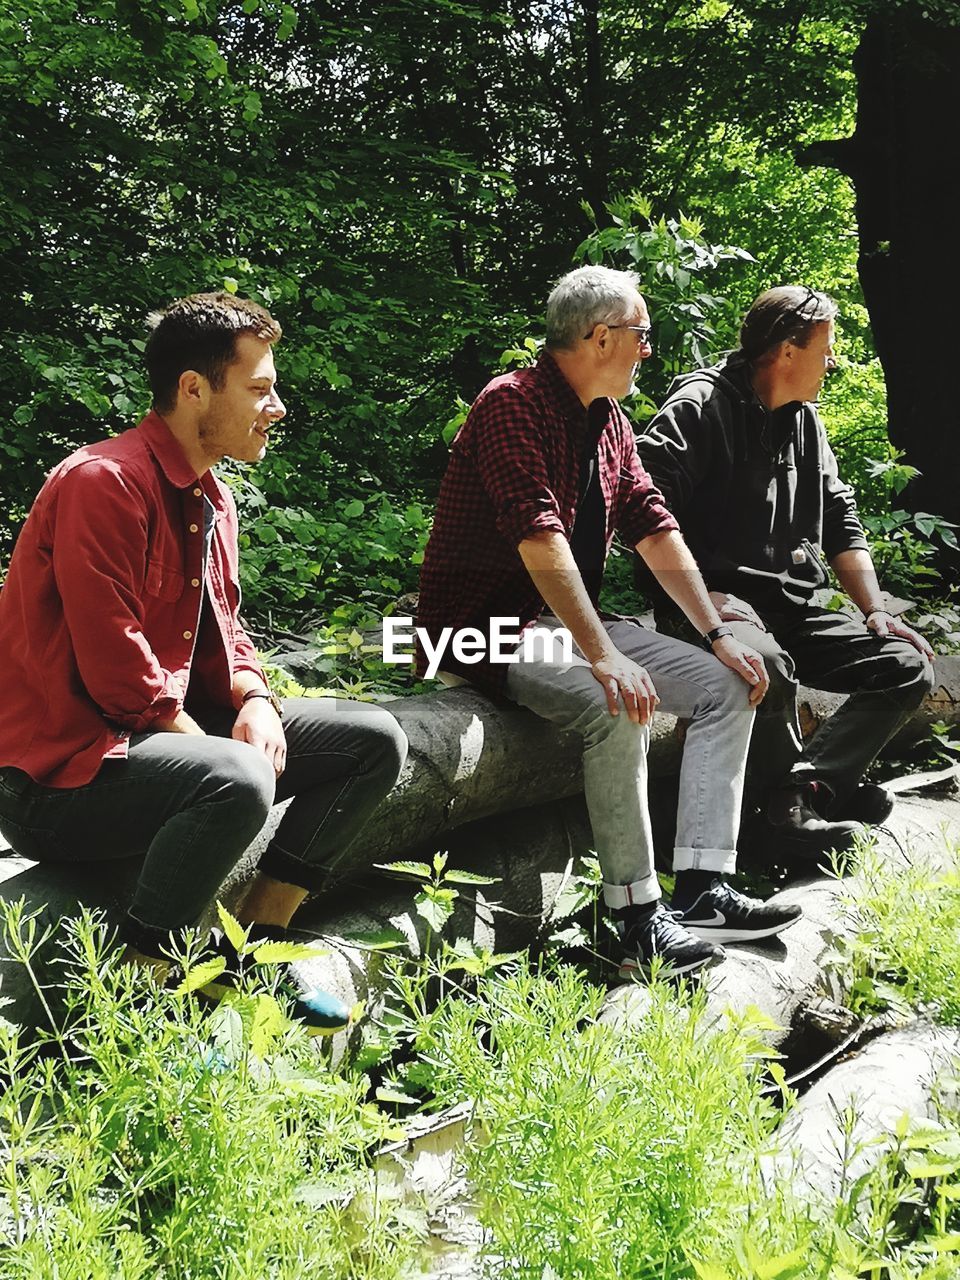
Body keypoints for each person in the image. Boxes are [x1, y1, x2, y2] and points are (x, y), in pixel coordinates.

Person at [0, 292, 408, 1031]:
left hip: (143, 746)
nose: (276, 407)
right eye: (259, 388)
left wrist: (253, 699)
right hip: (58, 780)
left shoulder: (210, 496)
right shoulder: (104, 482)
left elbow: (229, 631)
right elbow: (117, 669)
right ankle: (144, 986)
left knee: (373, 741)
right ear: (194, 389)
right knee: (239, 774)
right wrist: (219, 749)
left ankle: (253, 945)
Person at [416, 265, 802, 978]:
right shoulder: (511, 403)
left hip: (568, 621)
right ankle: (635, 918)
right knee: (618, 705)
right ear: (599, 337)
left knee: (727, 685)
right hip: (478, 629)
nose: (648, 350)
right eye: (642, 335)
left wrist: (716, 634)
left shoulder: (610, 421)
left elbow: (653, 525)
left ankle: (705, 888)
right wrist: (604, 656)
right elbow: (540, 536)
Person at [636, 285, 935, 859]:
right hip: (709, 612)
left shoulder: (807, 422)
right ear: (786, 350)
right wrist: (708, 600)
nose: (833, 361)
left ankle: (807, 791)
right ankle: (780, 826)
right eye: (825, 348)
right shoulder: (699, 407)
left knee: (905, 665)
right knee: (764, 663)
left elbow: (842, 522)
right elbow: (643, 513)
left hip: (790, 609)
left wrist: (874, 612)